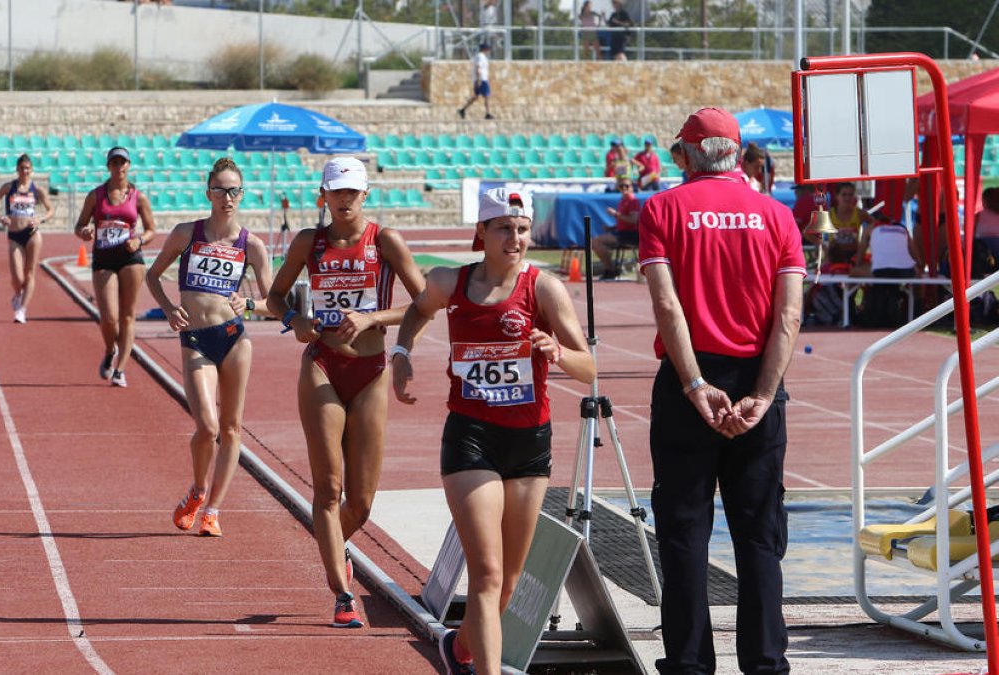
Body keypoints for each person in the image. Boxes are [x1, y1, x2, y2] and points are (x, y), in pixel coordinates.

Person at [391, 187, 593, 675]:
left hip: (529, 442)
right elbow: (417, 310)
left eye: (523, 230)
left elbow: (589, 367)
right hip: (470, 438)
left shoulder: (543, 288)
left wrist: (557, 353)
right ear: (481, 232)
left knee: (509, 582)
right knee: (486, 574)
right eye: (505, 228)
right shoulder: (448, 282)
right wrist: (401, 355)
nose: (516, 239)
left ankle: (460, 647)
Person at [638, 107, 804, 674]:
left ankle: (688, 665)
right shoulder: (777, 216)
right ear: (736, 153)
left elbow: (667, 307)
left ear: (687, 154)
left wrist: (693, 384)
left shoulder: (662, 209)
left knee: (684, 531)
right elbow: (788, 319)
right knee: (759, 535)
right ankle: (765, 664)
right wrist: (762, 393)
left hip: (691, 383)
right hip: (759, 378)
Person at [265, 157, 425, 629]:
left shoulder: (385, 241)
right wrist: (294, 321)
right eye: (336, 191)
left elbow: (424, 303)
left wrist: (374, 319)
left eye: (351, 191)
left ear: (365, 193)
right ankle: (341, 593)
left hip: (371, 370)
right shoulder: (308, 243)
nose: (344, 199)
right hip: (322, 365)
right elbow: (275, 296)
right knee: (328, 488)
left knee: (361, 501)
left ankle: (333, 544)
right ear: (324, 195)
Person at [145, 157, 274, 537]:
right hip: (196, 339)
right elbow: (153, 275)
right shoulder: (188, 233)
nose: (227, 197)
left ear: (242, 194)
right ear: (209, 194)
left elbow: (275, 302)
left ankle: (214, 510)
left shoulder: (252, 245)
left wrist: (249, 305)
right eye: (220, 190)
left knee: (232, 429)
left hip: (234, 339)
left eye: (234, 190)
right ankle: (198, 489)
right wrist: (169, 309)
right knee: (207, 426)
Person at [74, 147, 157, 388]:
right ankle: (110, 349)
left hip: (131, 258)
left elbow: (152, 229)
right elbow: (80, 226)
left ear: (129, 165)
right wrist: (85, 232)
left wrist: (139, 239)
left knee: (127, 315)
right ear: (108, 166)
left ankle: (120, 369)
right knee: (109, 316)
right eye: (114, 162)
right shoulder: (96, 195)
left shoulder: (138, 197)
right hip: (103, 257)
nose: (119, 167)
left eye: (123, 162)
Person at [0, 154, 54, 324]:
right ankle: (18, 294)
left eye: (28, 169)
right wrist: (0, 217)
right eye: (22, 168)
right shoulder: (9, 188)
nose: (25, 171)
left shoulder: (37, 190)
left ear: (32, 170)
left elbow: (50, 210)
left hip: (32, 234)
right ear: (17, 169)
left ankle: (22, 309)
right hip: (14, 235)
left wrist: (41, 219)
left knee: (30, 272)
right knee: (17, 278)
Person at [854, 214, 922, 327]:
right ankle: (917, 312)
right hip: (906, 271)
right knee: (919, 275)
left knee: (854, 272)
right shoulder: (902, 229)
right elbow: (918, 260)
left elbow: (859, 260)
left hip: (881, 270)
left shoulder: (870, 229)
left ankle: (854, 308)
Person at [591, 178, 640, 279]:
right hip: (621, 232)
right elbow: (624, 222)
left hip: (630, 234)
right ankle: (609, 266)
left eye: (627, 186)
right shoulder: (623, 201)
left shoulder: (633, 201)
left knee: (596, 241)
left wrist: (615, 214)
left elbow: (633, 220)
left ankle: (610, 269)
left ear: (632, 187)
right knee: (596, 242)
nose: (624, 188)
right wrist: (611, 228)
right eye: (621, 186)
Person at [458, 43, 494, 120]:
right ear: (484, 49)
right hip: (482, 79)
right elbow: (478, 68)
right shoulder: (480, 56)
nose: (489, 50)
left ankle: (463, 110)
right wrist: (479, 80)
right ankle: (487, 114)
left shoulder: (481, 56)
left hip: (481, 78)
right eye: (487, 48)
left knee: (476, 96)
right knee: (487, 96)